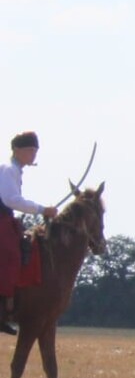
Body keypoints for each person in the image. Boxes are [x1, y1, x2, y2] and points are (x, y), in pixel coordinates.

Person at [1, 131, 60, 336]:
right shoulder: (9, 170)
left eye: (35, 151)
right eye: (29, 150)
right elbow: (12, 200)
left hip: (6, 219)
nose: (33, 155)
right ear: (17, 150)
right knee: (11, 255)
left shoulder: (15, 170)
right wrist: (42, 209)